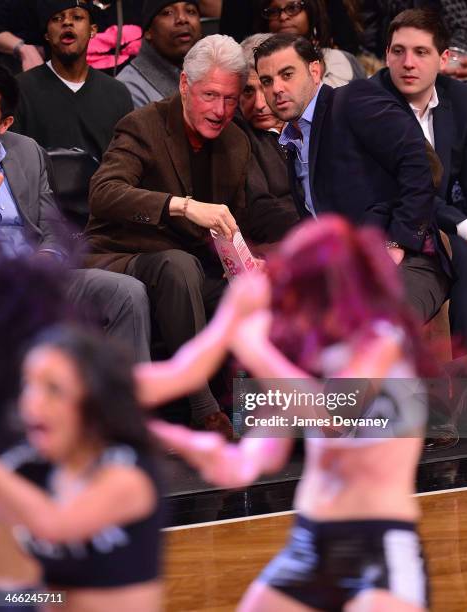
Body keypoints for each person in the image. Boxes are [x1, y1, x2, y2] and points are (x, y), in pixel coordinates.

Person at [154, 215, 431, 612]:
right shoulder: (306, 361)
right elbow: (251, 459)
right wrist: (177, 440)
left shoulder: (383, 340)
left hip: (379, 549)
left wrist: (251, 344)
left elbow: (336, 412)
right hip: (309, 544)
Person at [85, 34, 287, 436]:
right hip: (124, 256)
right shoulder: (143, 126)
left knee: (251, 286)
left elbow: (234, 222)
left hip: (193, 266)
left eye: (231, 99)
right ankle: (202, 406)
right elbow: (103, 193)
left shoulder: (235, 141)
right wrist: (180, 204)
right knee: (178, 268)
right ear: (183, 85)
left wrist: (245, 261)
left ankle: (265, 409)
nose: (221, 110)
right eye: (210, 95)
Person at [254, 32, 452, 325]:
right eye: (267, 81)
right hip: (348, 274)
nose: (277, 89)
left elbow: (419, 163)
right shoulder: (292, 142)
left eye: (287, 74)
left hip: (408, 260)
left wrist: (396, 244)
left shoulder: (351, 99)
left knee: (377, 332)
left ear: (315, 70)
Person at [0, 325, 163, 611]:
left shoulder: (125, 475)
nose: (32, 402)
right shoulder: (27, 467)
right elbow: (27, 586)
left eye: (53, 389)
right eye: (29, 384)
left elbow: (56, 525)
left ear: (92, 401)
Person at [0, 64, 151, 363]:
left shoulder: (26, 152)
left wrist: (45, 262)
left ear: (5, 124)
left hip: (39, 278)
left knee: (126, 293)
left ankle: (126, 407)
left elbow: (51, 226)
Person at [371, 8, 467, 350]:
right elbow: (406, 192)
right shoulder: (369, 104)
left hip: (447, 219)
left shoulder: (462, 98)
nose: (408, 62)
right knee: (464, 250)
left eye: (421, 52)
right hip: (395, 227)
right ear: (386, 55)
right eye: (398, 51)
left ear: (443, 59)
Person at [12, 0, 133, 162]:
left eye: (77, 17)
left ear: (93, 30)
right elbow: (11, 163)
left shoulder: (118, 93)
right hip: (37, 187)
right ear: (46, 34)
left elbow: (127, 162)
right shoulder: (19, 89)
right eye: (56, 18)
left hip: (102, 187)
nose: (67, 22)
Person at [234, 33, 299, 250]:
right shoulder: (235, 136)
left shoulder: (315, 123)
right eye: (248, 91)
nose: (260, 104)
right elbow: (259, 210)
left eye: (266, 86)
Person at [254, 0, 366, 88]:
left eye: (293, 8)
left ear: (311, 12)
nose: (283, 17)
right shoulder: (256, 68)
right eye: (273, 11)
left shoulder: (343, 60)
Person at [360, 0, 467, 80]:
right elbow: (366, 44)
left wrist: (453, 59)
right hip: (389, 75)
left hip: (448, 74)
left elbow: (464, 29)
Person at [117, 0, 203, 109]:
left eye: (190, 11)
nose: (182, 19)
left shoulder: (213, 72)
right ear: (148, 31)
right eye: (167, 13)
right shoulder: (128, 88)